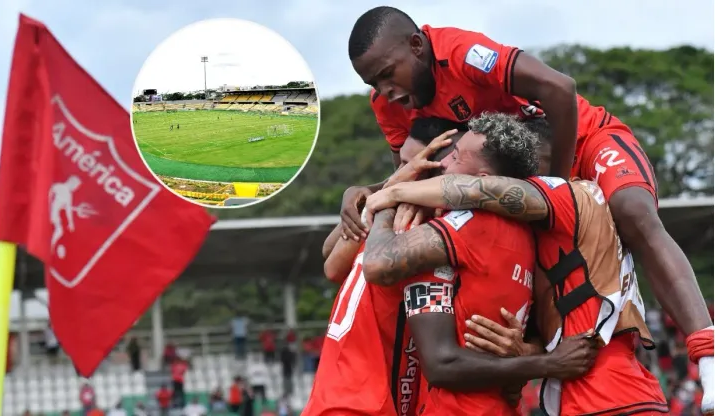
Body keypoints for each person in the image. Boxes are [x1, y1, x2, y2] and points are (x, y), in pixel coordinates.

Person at [343, 11, 714, 400]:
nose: (385, 91)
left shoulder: (462, 53)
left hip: (582, 142)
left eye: (388, 74)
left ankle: (708, 354)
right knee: (519, 264)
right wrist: (362, 191)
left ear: (417, 46)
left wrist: (558, 183)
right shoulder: (389, 106)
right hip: (527, 185)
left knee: (634, 212)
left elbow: (559, 87)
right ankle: (541, 363)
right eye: (373, 83)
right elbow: (414, 171)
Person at [365, 115, 671, 414]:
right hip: (587, 394)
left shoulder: (553, 200)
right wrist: (529, 355)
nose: (443, 164)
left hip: (608, 396)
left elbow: (379, 265)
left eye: (455, 156)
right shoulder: (532, 238)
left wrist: (389, 194)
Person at [301, 123, 458, 416]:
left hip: (355, 396)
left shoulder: (402, 224)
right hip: (359, 400)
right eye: (402, 165)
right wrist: (385, 192)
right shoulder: (396, 225)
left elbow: (332, 264)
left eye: (417, 166)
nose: (406, 173)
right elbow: (332, 265)